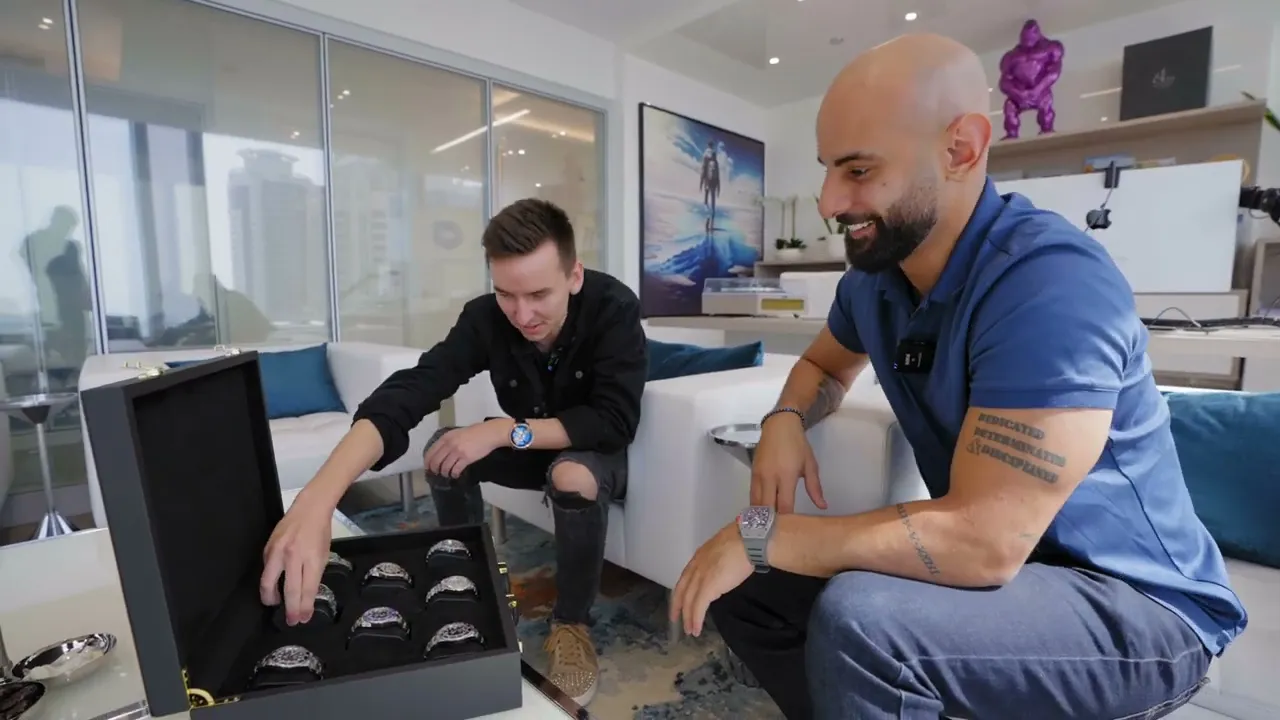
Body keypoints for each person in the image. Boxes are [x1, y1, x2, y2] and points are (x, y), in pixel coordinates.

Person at [669, 33, 1247, 720]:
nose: (828, 202)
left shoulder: (1051, 285)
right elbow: (823, 364)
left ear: (962, 149)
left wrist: (763, 532)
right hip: (1008, 579)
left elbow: (983, 541)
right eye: (828, 171)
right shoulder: (875, 282)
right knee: (750, 589)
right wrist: (785, 420)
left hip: (1138, 607)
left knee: (863, 620)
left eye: (858, 170)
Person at [260, 198, 647, 706]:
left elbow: (613, 421)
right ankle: (467, 585)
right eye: (506, 294)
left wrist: (505, 431)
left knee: (570, 475)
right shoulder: (485, 318)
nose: (522, 314)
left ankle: (572, 624)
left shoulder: (614, 307)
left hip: (593, 450)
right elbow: (413, 389)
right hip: (529, 444)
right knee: (444, 451)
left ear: (574, 276)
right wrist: (317, 501)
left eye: (538, 294)